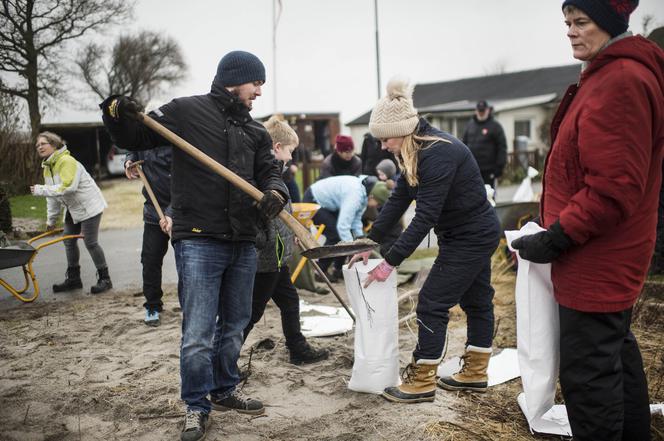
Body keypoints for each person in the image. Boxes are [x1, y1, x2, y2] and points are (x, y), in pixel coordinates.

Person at [100, 50, 288, 441]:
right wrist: (115, 112)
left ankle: (224, 388)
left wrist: (275, 191)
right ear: (235, 79)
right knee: (199, 331)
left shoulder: (255, 132)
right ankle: (196, 405)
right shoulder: (186, 112)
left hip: (243, 240)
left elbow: (271, 171)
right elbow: (137, 135)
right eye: (256, 83)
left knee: (235, 325)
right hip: (200, 239)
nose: (259, 91)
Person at [511, 2, 663, 440]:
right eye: (567, 24)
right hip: (607, 254)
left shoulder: (621, 81)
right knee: (614, 352)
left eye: (582, 23)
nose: (571, 33)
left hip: (597, 257)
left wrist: (557, 237)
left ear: (611, 22)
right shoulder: (610, 74)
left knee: (588, 377)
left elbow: (614, 186)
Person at [349, 77, 501, 404]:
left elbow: (425, 216)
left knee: (432, 302)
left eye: (385, 138)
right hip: (462, 233)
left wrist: (390, 262)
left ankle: (422, 378)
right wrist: (369, 241)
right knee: (477, 301)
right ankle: (475, 373)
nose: (382, 146)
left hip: (472, 235)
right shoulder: (413, 151)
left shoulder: (439, 153)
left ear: (403, 130)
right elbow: (399, 200)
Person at [243, 115, 329, 365]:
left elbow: (283, 214)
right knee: (253, 311)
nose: (292, 157)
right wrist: (267, 241)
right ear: (277, 148)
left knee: (290, 301)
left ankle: (298, 348)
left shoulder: (276, 174)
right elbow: (259, 216)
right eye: (291, 151)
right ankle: (224, 361)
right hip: (265, 256)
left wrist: (294, 234)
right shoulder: (261, 175)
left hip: (277, 254)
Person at [30, 131, 112, 294]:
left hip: (89, 206)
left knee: (90, 242)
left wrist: (41, 189)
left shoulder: (66, 161)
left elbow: (68, 187)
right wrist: (51, 221)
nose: (40, 147)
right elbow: (52, 198)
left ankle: (105, 279)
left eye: (43, 144)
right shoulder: (48, 168)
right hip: (73, 208)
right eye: (37, 145)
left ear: (53, 145)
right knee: (68, 240)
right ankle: (74, 279)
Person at [124, 146, 172, 326]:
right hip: (153, 211)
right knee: (150, 260)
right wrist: (129, 161)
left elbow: (189, 182)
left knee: (187, 262)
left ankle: (189, 304)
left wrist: (171, 213)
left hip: (182, 210)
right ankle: (153, 305)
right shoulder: (143, 136)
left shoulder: (175, 134)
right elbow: (132, 149)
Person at [303, 174, 378, 282]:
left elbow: (355, 220)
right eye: (377, 202)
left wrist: (360, 239)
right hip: (314, 199)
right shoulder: (355, 195)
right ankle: (320, 271)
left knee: (345, 236)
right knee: (336, 234)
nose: (377, 206)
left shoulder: (364, 193)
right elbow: (342, 227)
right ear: (372, 196)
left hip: (330, 204)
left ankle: (338, 269)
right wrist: (353, 249)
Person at [462, 100, 507, 190]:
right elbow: (464, 145)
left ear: (488, 110)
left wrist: (499, 167)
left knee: (489, 195)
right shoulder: (470, 126)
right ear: (476, 111)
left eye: (483, 111)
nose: (481, 113)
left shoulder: (495, 126)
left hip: (489, 170)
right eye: (479, 110)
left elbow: (502, 147)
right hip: (473, 169)